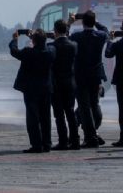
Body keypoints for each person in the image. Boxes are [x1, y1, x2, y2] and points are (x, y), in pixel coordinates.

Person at [9, 29, 55, 153]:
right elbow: (54, 42)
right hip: (46, 88)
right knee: (46, 117)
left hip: (31, 89)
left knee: (33, 118)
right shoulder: (51, 52)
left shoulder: (28, 52)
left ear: (33, 40)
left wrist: (15, 39)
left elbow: (14, 52)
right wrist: (42, 37)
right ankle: (47, 143)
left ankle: (36, 144)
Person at [68, 10, 109, 148]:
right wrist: (93, 20)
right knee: (95, 103)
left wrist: (71, 22)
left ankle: (91, 137)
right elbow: (105, 29)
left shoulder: (76, 36)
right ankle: (93, 133)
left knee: (84, 106)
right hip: (96, 75)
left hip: (80, 75)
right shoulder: (101, 35)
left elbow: (64, 36)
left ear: (83, 23)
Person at [48, 19, 79, 150]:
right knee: (70, 112)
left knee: (59, 114)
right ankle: (75, 141)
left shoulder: (51, 46)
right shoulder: (74, 45)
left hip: (56, 84)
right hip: (70, 82)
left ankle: (63, 141)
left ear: (55, 31)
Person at [106, 30, 123, 147]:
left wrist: (109, 41)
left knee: (122, 109)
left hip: (121, 80)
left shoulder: (118, 44)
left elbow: (108, 54)